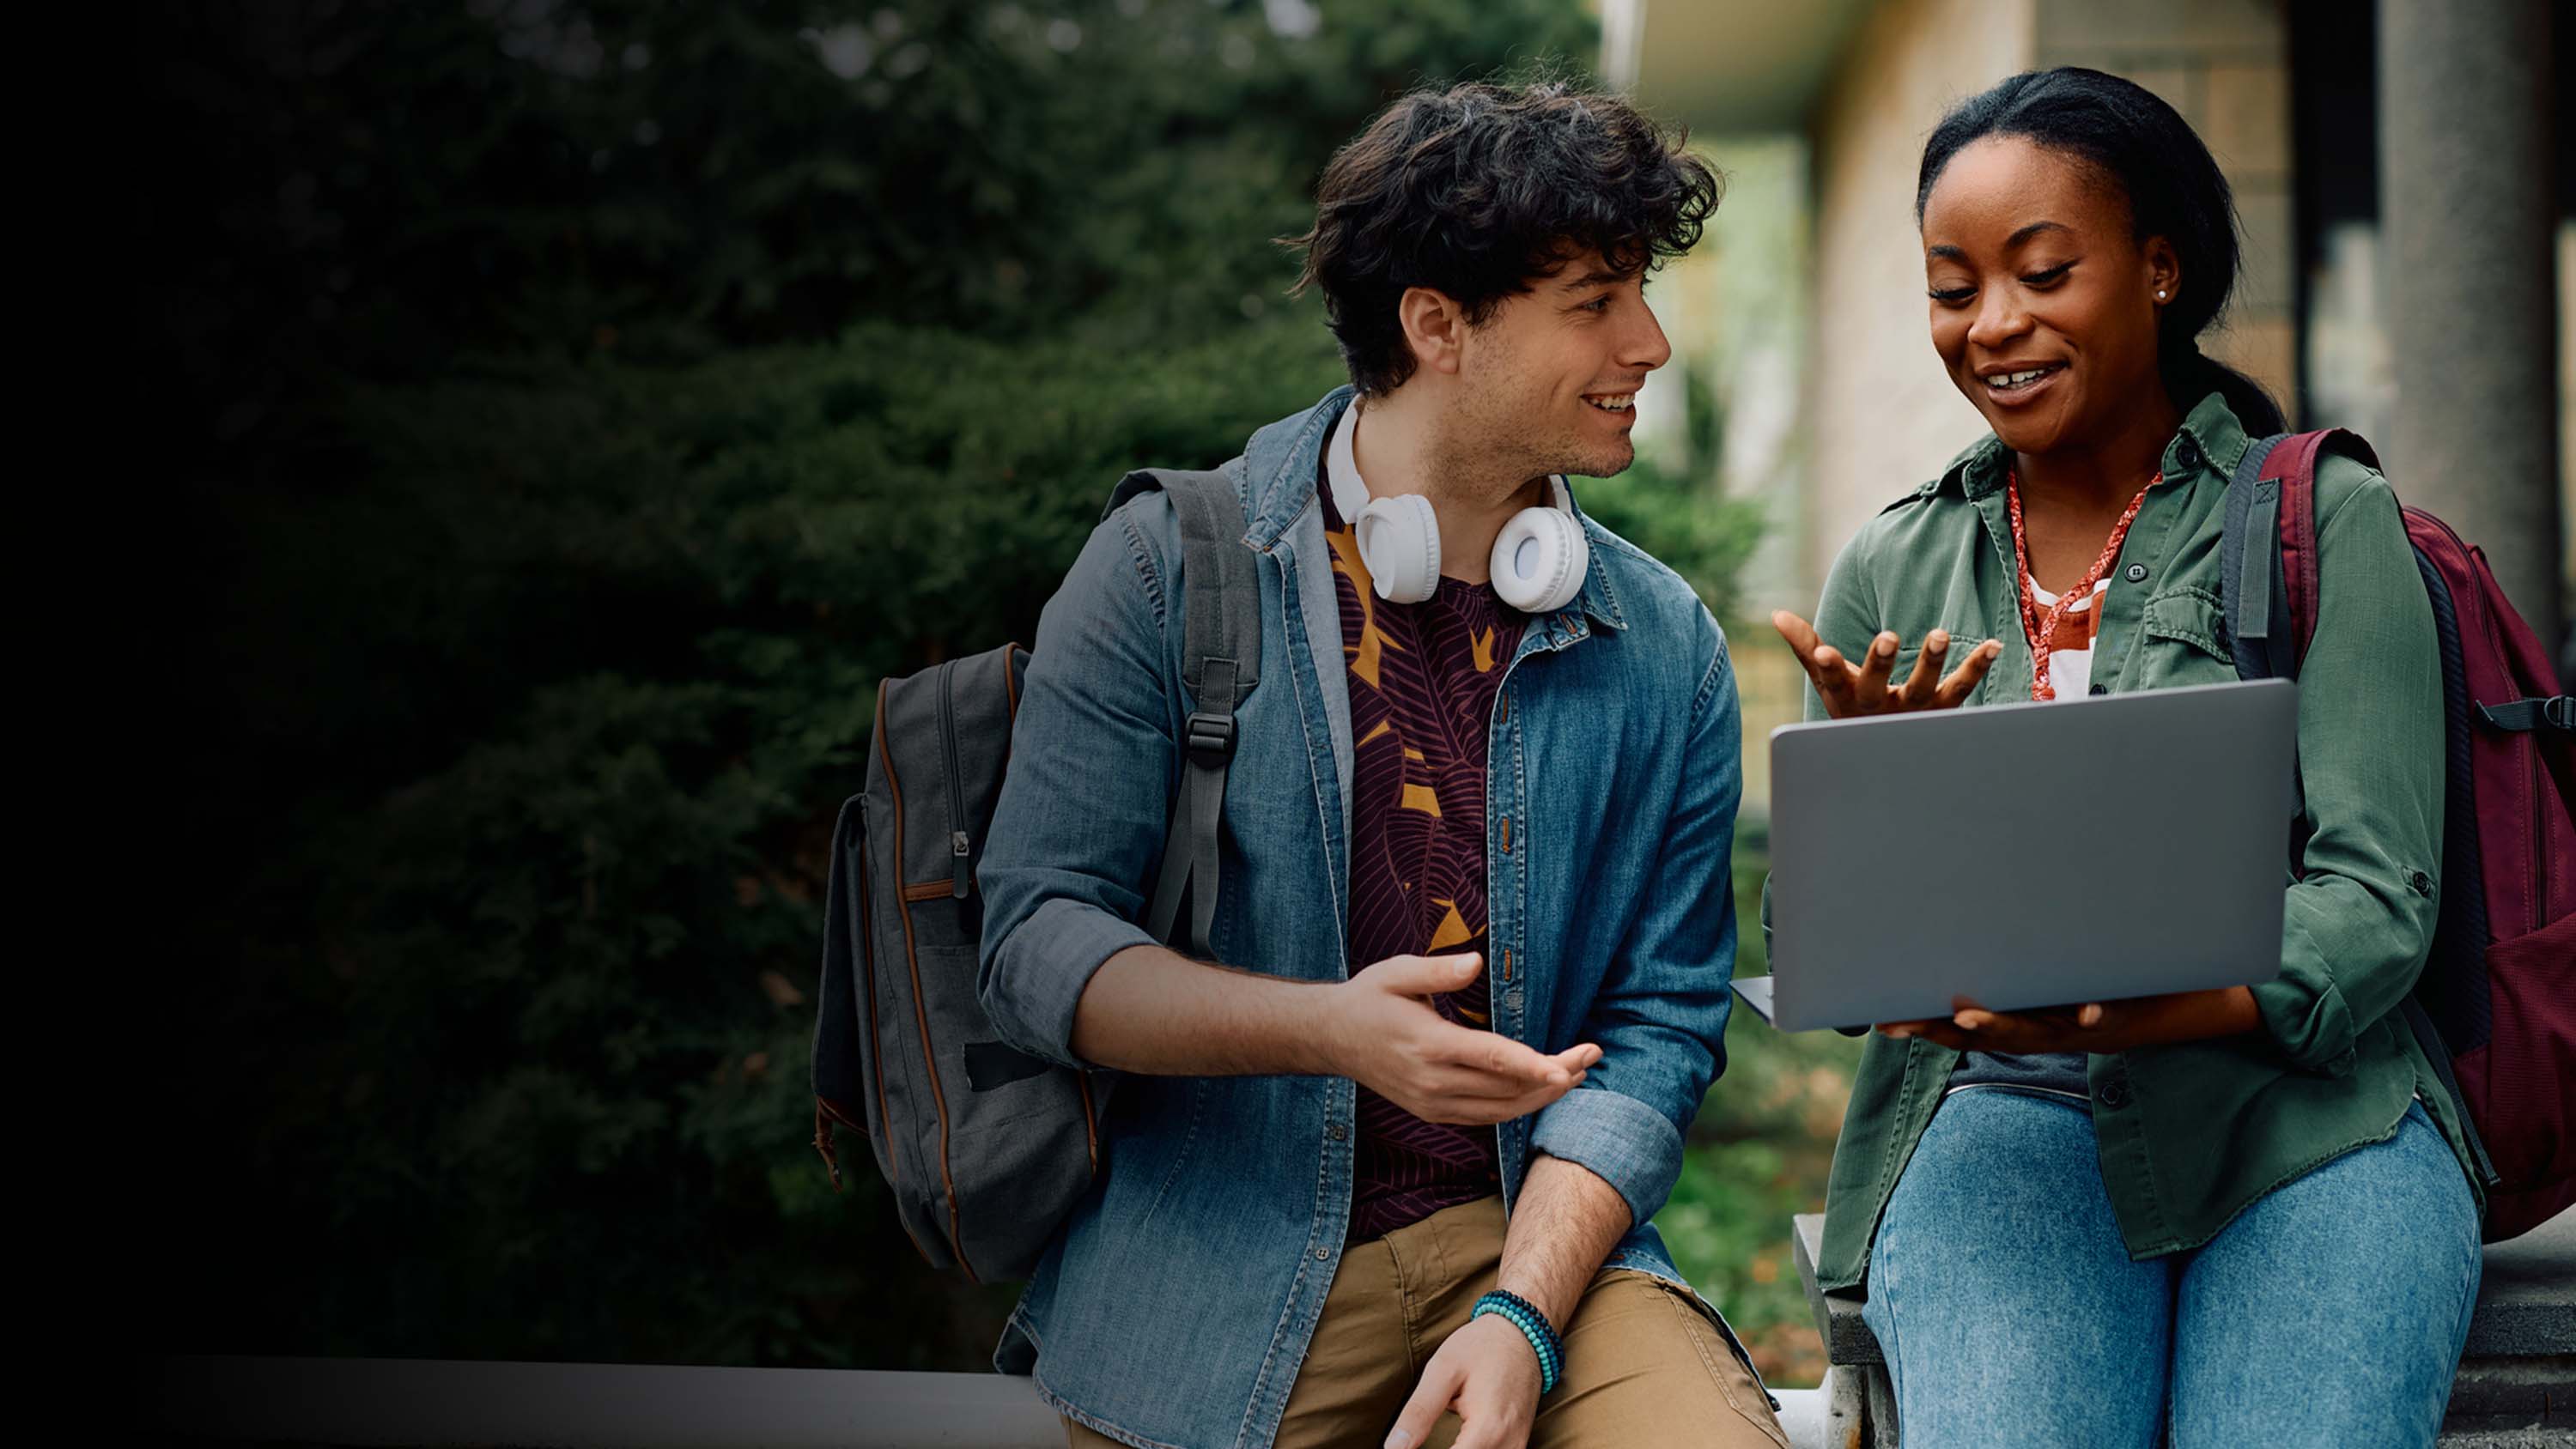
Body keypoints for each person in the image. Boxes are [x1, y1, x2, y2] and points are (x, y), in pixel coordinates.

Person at [977, 79, 1787, 1449]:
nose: (1648, 342)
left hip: (1538, 1248)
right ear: (1436, 325)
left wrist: (1524, 1312)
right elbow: (1035, 946)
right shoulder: (1161, 574)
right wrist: (1325, 1030)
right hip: (1224, 1267)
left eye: (1639, 293)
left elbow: (1660, 1029)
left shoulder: (1667, 648)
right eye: (1595, 301)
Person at [1769, 68, 2485, 1448]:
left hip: (2312, 1125)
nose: (1993, 326)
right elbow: (1828, 957)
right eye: (1951, 286)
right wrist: (1868, 822)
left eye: (2042, 272)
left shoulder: (2326, 520)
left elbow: (2378, 905)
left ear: (2160, 269)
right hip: (2003, 1122)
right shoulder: (1896, 560)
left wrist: (2138, 1014)